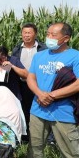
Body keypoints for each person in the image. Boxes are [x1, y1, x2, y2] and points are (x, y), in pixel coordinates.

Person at [27, 22, 79, 158]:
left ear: (66, 38)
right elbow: (30, 77)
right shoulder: (39, 56)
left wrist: (51, 95)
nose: (49, 37)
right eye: (48, 34)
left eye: (54, 35)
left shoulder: (75, 56)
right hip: (38, 110)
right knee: (34, 150)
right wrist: (39, 94)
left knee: (71, 152)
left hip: (63, 112)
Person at [11, 23, 47, 142]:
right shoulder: (17, 49)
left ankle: (42, 136)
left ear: (35, 34)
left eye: (29, 33)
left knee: (39, 109)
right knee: (23, 109)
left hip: (39, 84)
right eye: (24, 33)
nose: (26, 35)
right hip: (22, 83)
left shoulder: (43, 48)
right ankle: (25, 136)